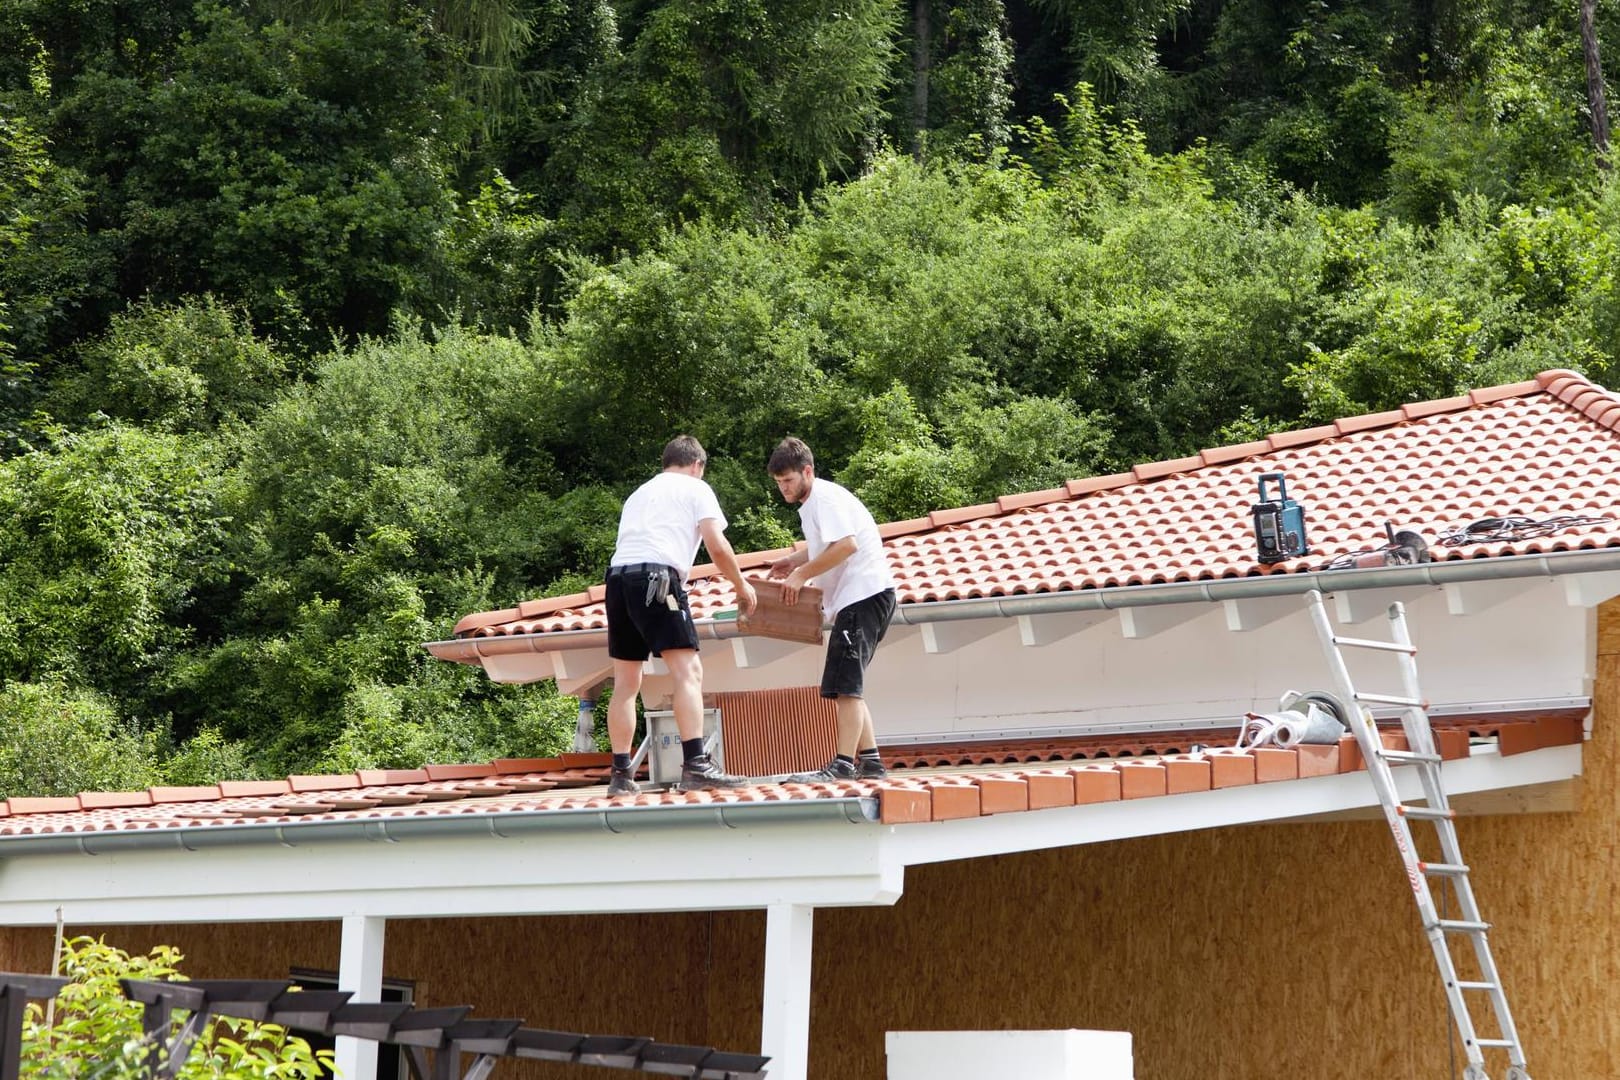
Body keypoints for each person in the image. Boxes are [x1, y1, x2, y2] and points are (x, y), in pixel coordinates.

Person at [604, 435, 758, 795]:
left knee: (626, 682)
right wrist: (741, 585)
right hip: (657, 579)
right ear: (697, 465)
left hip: (617, 581)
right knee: (688, 670)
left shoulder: (639, 494)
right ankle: (696, 766)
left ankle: (621, 776)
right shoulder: (695, 488)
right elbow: (716, 545)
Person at [766, 437, 898, 781]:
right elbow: (826, 547)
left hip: (862, 595)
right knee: (848, 686)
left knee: (845, 687)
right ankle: (870, 762)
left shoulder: (823, 498)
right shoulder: (816, 502)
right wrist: (791, 560)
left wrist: (799, 575)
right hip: (865, 597)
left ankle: (841, 764)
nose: (784, 489)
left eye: (789, 481)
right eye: (779, 483)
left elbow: (847, 546)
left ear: (807, 471)